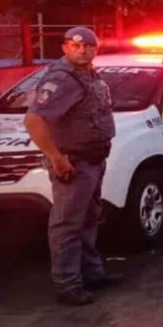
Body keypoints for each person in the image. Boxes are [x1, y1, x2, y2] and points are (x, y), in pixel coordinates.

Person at [24, 27, 120, 306]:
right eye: (75, 45)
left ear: (95, 49)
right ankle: (67, 284)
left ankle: (91, 274)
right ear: (65, 48)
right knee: (66, 225)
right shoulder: (61, 79)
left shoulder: (89, 74)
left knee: (88, 220)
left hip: (92, 159)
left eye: (88, 45)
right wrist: (56, 157)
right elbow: (33, 120)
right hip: (73, 164)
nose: (82, 49)